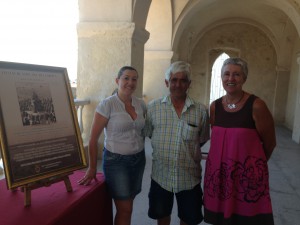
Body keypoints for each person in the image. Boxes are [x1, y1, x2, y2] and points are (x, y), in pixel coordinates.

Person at [203, 57, 276, 225]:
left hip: (245, 179)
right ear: (221, 78)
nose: (231, 79)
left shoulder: (257, 105)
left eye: (236, 74)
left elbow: (270, 143)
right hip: (219, 177)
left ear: (244, 78)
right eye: (226, 74)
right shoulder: (215, 107)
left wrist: (253, 169)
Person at [78, 66, 146, 225]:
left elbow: (142, 130)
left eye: (134, 79)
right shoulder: (107, 105)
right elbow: (93, 138)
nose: (130, 82)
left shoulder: (140, 104)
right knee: (125, 209)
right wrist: (92, 167)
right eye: (126, 78)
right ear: (118, 81)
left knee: (129, 202)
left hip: (138, 160)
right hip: (117, 162)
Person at [144, 61, 210, 225]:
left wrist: (186, 149)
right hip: (161, 176)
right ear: (167, 82)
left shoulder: (200, 111)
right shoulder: (153, 108)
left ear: (189, 83)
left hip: (189, 178)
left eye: (183, 80)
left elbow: (202, 139)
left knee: (188, 219)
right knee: (162, 217)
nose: (178, 84)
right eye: (174, 80)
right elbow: (151, 133)